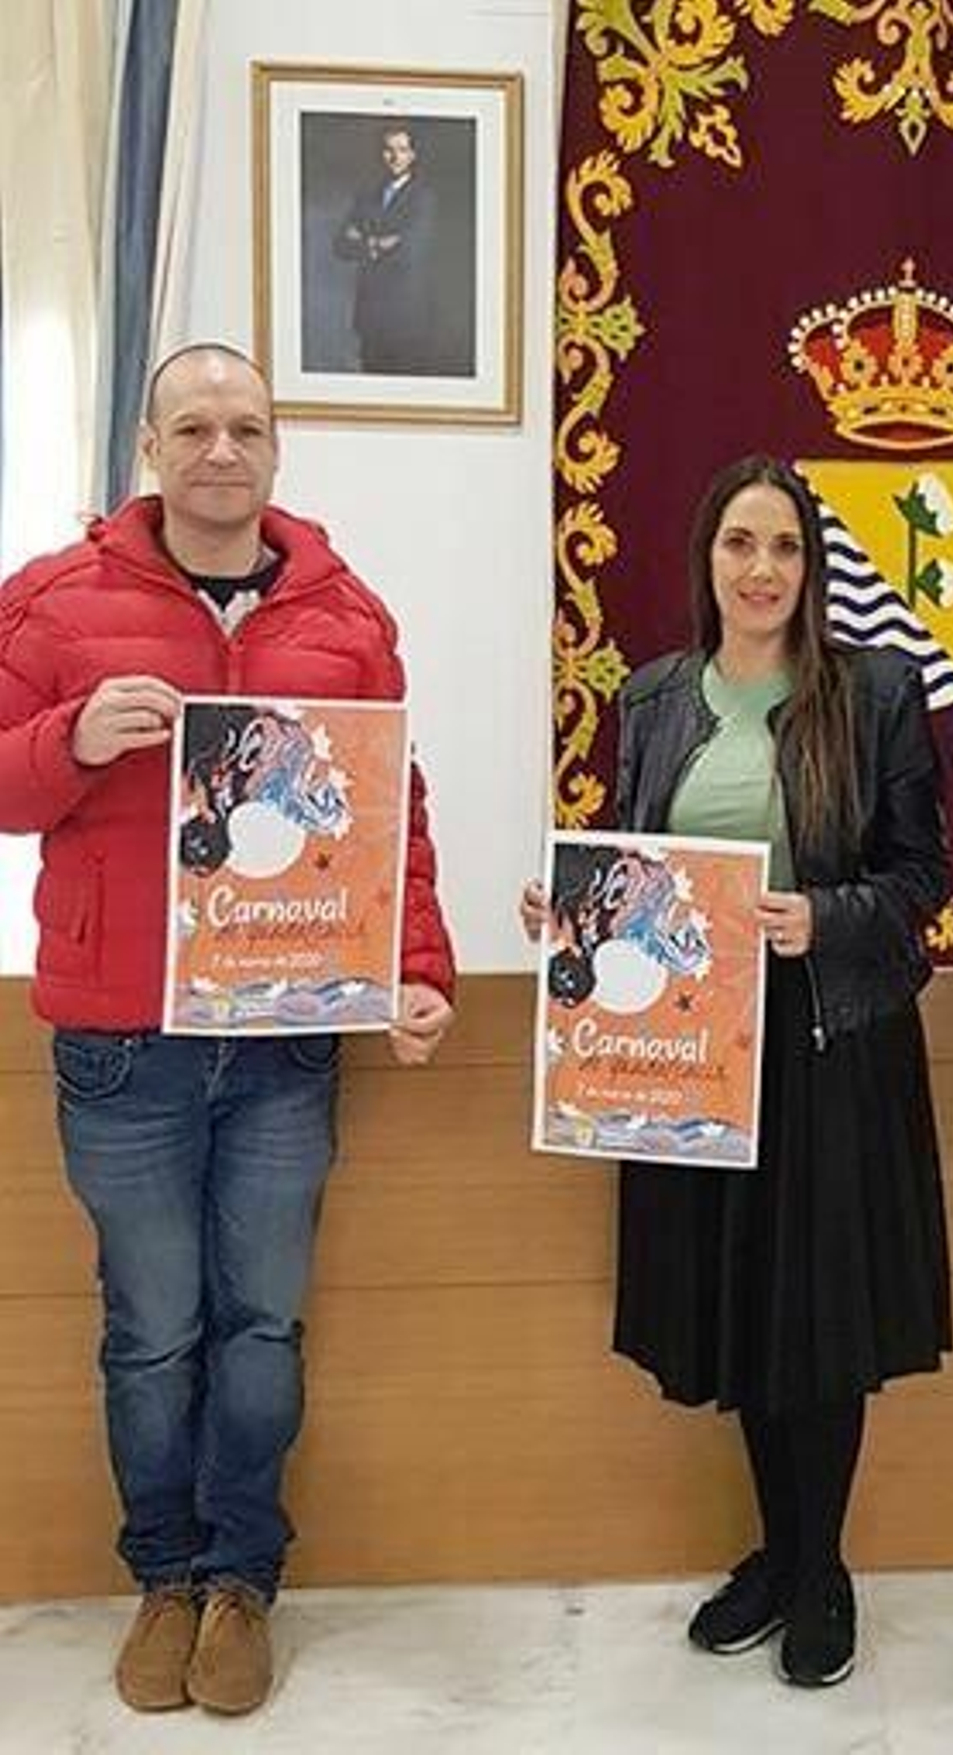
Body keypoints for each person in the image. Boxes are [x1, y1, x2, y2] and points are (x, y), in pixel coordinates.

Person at [0, 343, 456, 1716]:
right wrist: (72, 738)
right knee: (153, 1328)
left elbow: (397, 806)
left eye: (244, 426)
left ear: (276, 447)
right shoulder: (48, 602)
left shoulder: (345, 614)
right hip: (122, 1039)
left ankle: (243, 1577)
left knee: (261, 1321)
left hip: (283, 1039)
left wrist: (416, 967)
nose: (219, 449)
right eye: (191, 425)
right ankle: (163, 1575)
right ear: (150, 447)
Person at [521, 454, 952, 1688]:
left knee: (818, 1319)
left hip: (829, 1042)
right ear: (705, 559)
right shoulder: (654, 696)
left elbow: (925, 880)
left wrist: (830, 914)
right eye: (738, 545)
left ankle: (820, 1570)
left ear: (813, 570)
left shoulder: (872, 691)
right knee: (744, 1310)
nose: (761, 571)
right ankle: (773, 1551)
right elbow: (627, 857)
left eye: (785, 549)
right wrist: (569, 907)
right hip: (686, 1050)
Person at [333, 124, 442, 375]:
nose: (394, 157)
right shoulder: (367, 196)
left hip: (406, 314)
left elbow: (410, 251)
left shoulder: (424, 197)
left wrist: (362, 239)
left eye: (402, 150)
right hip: (370, 311)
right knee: (372, 378)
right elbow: (340, 245)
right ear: (381, 154)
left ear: (412, 155)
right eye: (388, 150)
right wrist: (378, 243)